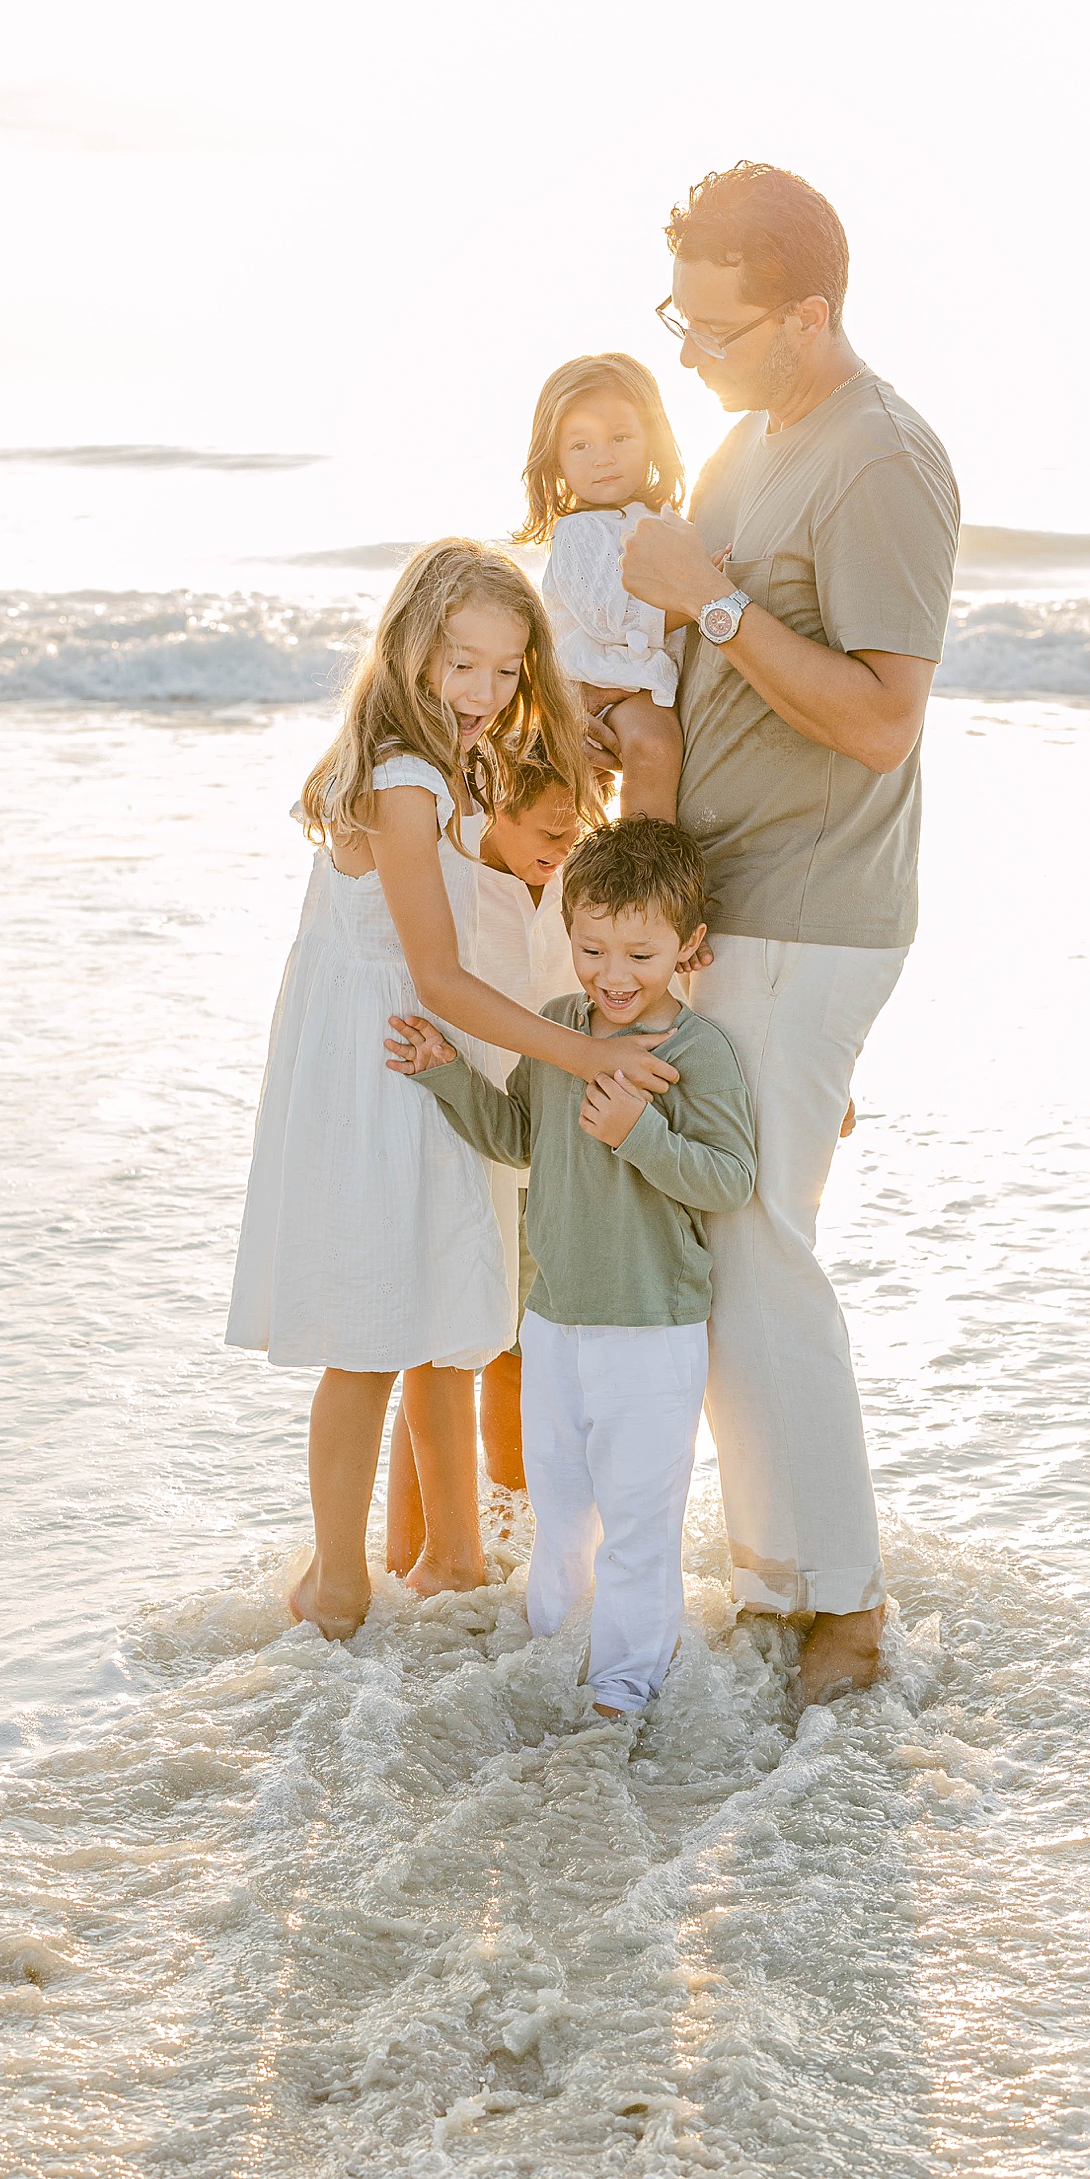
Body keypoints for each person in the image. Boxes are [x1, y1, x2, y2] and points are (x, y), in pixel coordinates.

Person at [618, 162, 960, 1707]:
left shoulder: (880, 460)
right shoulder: (747, 442)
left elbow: (885, 723)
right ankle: (781, 1571)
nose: (685, 353)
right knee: (725, 1242)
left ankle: (844, 1609)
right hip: (723, 910)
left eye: (714, 326)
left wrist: (708, 610)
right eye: (673, 319)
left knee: (756, 1241)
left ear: (808, 314)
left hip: (813, 916)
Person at [225, 539, 679, 1644]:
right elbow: (436, 970)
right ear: (412, 649)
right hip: (390, 1059)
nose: (483, 693)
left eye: (506, 669)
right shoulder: (405, 777)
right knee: (370, 1330)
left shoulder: (429, 758)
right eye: (461, 664)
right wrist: (582, 1056)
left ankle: (418, 1559)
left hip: (396, 1056)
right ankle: (335, 1582)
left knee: (423, 1312)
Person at [388, 818, 756, 1721]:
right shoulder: (558, 1029)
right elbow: (521, 1136)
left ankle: (626, 1685)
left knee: (638, 1523)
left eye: (640, 951)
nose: (613, 973)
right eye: (592, 947)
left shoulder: (698, 1053)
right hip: (551, 1320)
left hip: (652, 1330)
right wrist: (448, 1076)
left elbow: (731, 1179)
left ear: (687, 948)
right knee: (559, 1505)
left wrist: (640, 1136)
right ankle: (551, 1648)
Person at [384, 745, 581, 1567]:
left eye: (575, 830)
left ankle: (510, 1536)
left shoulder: (580, 884)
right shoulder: (458, 883)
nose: (562, 845)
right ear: (494, 808)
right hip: (471, 1143)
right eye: (546, 830)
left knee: (522, 1352)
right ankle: (406, 1555)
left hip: (556, 1155)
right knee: (451, 1350)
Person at [517, 354, 688, 822]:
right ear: (556, 461)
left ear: (652, 440)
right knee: (652, 745)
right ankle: (645, 856)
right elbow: (613, 618)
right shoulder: (578, 533)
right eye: (581, 446)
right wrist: (699, 600)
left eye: (620, 437)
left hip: (645, 681)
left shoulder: (663, 521)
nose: (604, 457)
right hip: (606, 683)